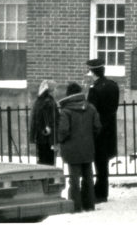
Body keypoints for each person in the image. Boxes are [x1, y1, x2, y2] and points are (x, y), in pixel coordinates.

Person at [58, 82, 101, 213]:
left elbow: (63, 131)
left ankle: (75, 206)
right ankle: (89, 204)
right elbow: (97, 127)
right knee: (88, 177)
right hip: (88, 149)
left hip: (72, 150)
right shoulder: (91, 108)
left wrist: (61, 140)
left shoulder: (66, 111)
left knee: (74, 180)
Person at [85, 57, 120, 203]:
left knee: (99, 163)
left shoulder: (94, 89)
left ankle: (100, 193)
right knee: (103, 163)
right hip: (110, 129)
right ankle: (102, 191)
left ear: (94, 72)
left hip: (98, 130)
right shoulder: (113, 85)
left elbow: (92, 111)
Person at [29, 79, 58, 165]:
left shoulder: (38, 101)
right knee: (49, 164)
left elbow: (34, 120)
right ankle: (49, 179)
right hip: (49, 138)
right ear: (50, 90)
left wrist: (32, 136)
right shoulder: (49, 102)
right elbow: (54, 120)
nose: (56, 91)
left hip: (40, 138)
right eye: (55, 88)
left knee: (42, 163)